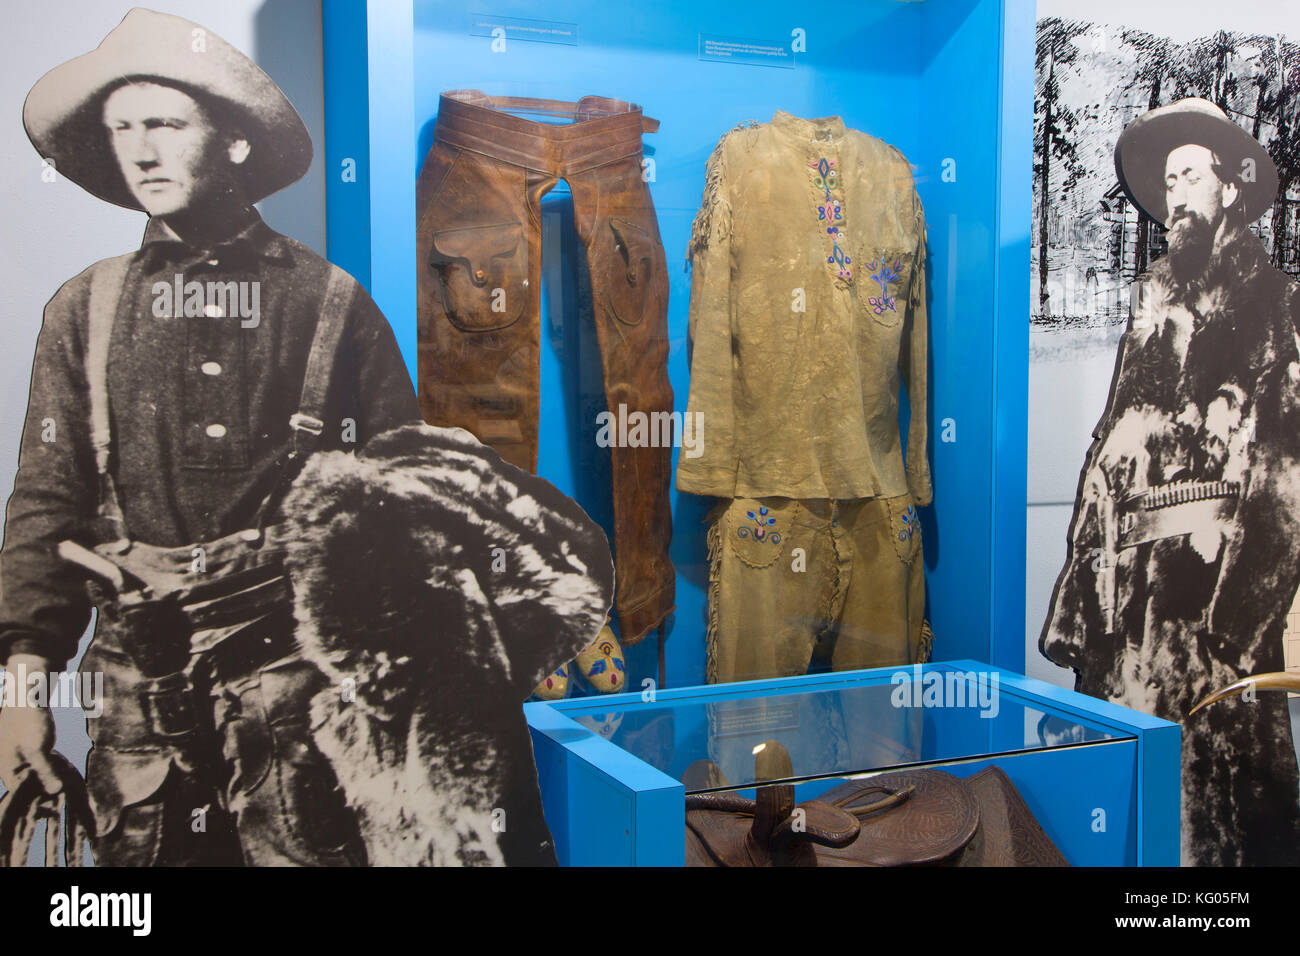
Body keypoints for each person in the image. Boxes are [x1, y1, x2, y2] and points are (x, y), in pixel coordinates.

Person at [0, 8, 420, 865]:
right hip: (135, 699)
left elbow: (401, 508)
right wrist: (21, 689)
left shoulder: (329, 304)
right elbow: (46, 509)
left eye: (165, 124)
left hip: (297, 695)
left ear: (231, 142)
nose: (142, 151)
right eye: (123, 129)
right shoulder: (83, 311)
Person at [1040, 97, 1300, 866]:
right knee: (1128, 813)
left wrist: (1238, 619)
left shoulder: (1273, 298)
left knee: (1217, 826)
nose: (1177, 190)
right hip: (1129, 599)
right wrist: (1086, 589)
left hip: (1210, 605)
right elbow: (1113, 438)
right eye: (1169, 179)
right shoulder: (1151, 294)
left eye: (1192, 174)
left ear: (1228, 186)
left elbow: (1286, 470)